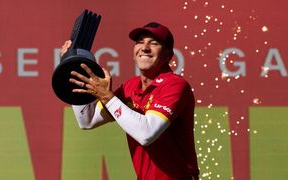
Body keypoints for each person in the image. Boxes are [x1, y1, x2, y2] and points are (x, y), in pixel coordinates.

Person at [60, 22, 199, 180]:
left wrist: (107, 96)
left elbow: (147, 134)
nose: (145, 48)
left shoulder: (174, 84)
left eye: (154, 43)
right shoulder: (130, 86)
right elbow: (87, 120)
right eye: (140, 42)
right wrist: (71, 69)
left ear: (168, 54)